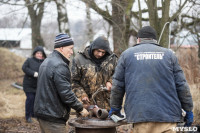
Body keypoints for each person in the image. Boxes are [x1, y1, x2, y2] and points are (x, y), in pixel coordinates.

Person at [109, 26, 194, 133]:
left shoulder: (126, 55)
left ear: (138, 39)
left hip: (141, 116)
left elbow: (118, 85)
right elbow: (181, 85)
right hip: (168, 117)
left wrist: (115, 108)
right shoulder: (169, 55)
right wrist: (188, 109)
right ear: (155, 40)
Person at [34, 33, 89, 133]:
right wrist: (80, 108)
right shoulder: (60, 65)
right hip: (53, 116)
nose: (72, 52)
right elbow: (66, 93)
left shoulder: (46, 61)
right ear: (61, 48)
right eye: (70, 48)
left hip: (43, 113)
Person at [72, 36, 118, 110]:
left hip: (107, 105)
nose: (100, 54)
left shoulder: (113, 59)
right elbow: (73, 82)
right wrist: (82, 95)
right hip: (87, 106)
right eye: (98, 51)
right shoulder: (79, 59)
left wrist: (111, 82)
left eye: (103, 52)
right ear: (93, 48)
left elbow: (118, 75)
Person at [22, 46, 46, 123]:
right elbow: (24, 68)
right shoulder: (29, 60)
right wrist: (33, 73)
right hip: (28, 84)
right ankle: (28, 116)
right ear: (35, 53)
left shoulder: (44, 61)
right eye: (38, 53)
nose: (39, 55)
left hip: (38, 85)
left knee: (36, 101)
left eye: (41, 53)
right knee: (30, 99)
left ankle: (34, 114)